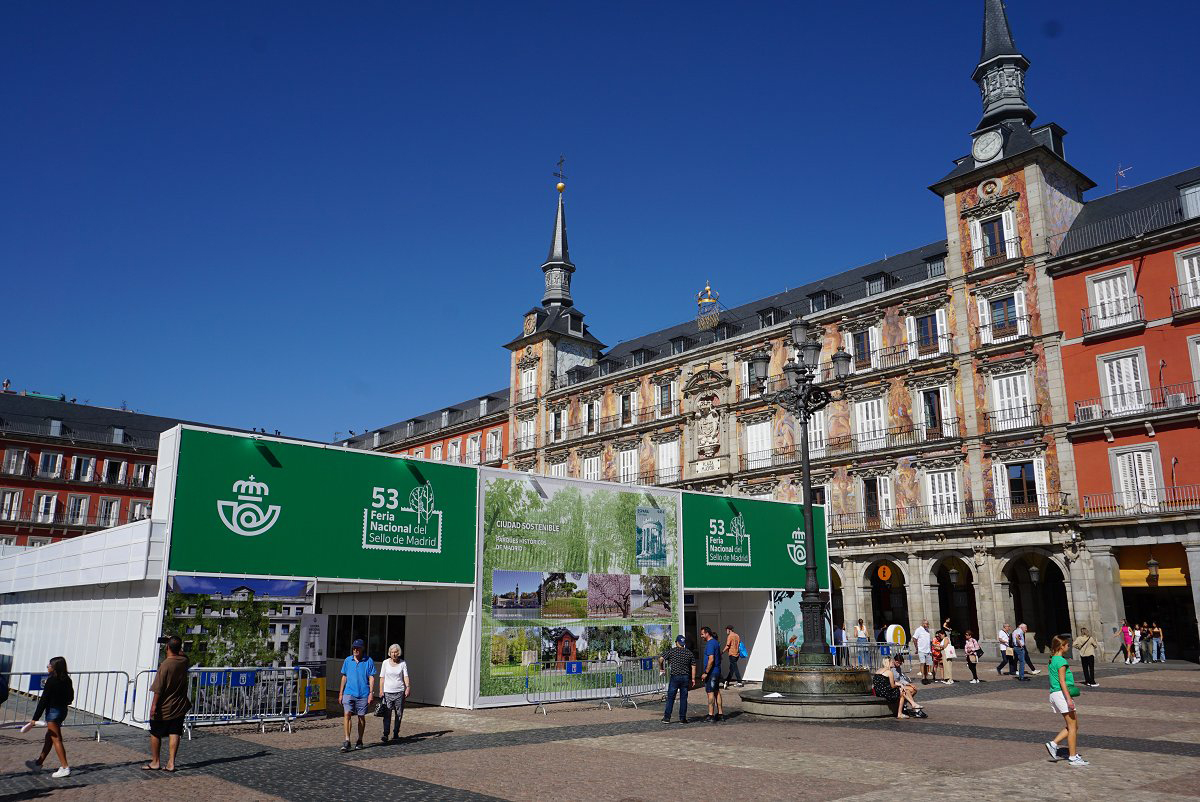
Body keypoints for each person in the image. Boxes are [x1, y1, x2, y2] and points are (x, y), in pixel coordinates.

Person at [145, 636, 191, 772]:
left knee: (155, 733)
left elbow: (158, 689)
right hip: (179, 705)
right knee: (174, 732)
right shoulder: (184, 661)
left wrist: (153, 707)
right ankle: (171, 763)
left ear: (167, 648)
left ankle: (155, 761)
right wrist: (174, 646)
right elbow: (183, 654)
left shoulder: (165, 665)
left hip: (164, 706)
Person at [24, 656, 73, 778]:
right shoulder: (67, 679)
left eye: (49, 665)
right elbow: (70, 698)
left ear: (55, 667)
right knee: (49, 738)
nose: (47, 667)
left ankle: (65, 767)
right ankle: (38, 763)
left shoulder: (51, 681)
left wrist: (35, 718)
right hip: (62, 711)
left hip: (53, 712)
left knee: (56, 739)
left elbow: (43, 701)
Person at [1045, 633, 1088, 766]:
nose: (1069, 646)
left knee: (1074, 725)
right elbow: (1062, 681)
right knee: (1073, 726)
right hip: (1061, 694)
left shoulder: (1052, 659)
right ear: (1061, 646)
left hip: (1055, 693)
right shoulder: (1062, 661)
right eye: (1067, 645)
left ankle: (1053, 744)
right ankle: (1073, 757)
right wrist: (1069, 699)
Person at [339, 638, 376, 752]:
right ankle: (347, 740)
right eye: (354, 648)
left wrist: (371, 693)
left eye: (358, 648)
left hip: (363, 693)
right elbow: (344, 676)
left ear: (362, 648)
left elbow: (371, 677)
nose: (355, 650)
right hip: (349, 692)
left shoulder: (368, 661)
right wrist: (340, 693)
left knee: (361, 716)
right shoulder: (347, 660)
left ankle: (359, 740)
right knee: (347, 714)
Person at [871, 654, 924, 719]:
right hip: (884, 692)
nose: (892, 663)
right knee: (902, 692)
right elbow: (892, 685)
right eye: (891, 662)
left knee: (902, 689)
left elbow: (885, 682)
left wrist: (900, 684)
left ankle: (912, 705)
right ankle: (901, 712)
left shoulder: (878, 670)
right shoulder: (889, 672)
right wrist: (899, 685)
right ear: (888, 663)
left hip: (878, 691)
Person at [660, 635, 696, 724]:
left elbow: (660, 659)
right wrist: (693, 678)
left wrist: (661, 668)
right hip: (685, 677)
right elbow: (694, 665)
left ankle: (667, 718)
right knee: (683, 698)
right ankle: (682, 718)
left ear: (676, 642)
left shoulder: (672, 651)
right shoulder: (689, 653)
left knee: (671, 697)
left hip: (675, 677)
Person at [378, 643, 410, 743]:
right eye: (392, 652)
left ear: (399, 652)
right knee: (387, 714)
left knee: (398, 713)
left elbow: (405, 676)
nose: (394, 654)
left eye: (396, 652)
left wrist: (408, 687)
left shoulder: (403, 663)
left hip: (399, 692)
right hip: (387, 692)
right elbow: (382, 677)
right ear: (389, 653)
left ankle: (396, 732)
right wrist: (381, 690)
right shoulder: (385, 663)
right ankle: (385, 734)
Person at [699, 627, 723, 723]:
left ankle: (711, 715)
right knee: (717, 692)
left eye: (702, 634)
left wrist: (706, 672)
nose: (701, 636)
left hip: (712, 672)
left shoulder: (710, 644)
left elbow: (711, 659)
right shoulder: (716, 643)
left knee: (710, 692)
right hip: (717, 671)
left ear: (707, 633)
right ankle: (720, 714)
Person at [912, 620, 933, 684]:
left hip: (928, 650)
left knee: (927, 664)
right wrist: (916, 648)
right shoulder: (918, 630)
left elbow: (929, 641)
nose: (927, 625)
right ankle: (923, 677)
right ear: (923, 623)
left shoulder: (927, 631)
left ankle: (926, 677)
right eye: (926, 624)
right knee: (922, 663)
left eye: (928, 624)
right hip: (921, 650)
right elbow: (914, 638)